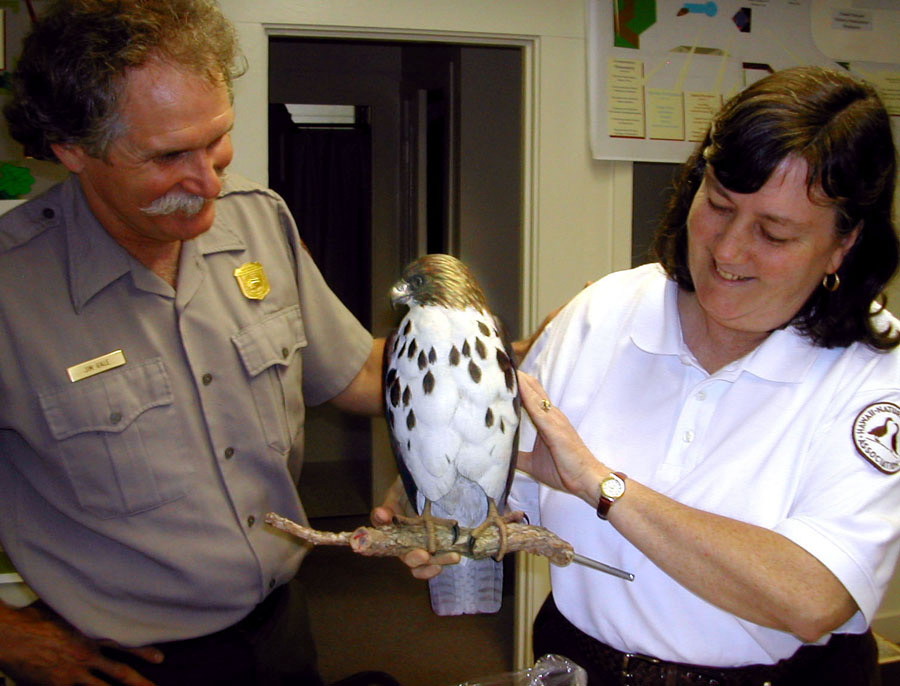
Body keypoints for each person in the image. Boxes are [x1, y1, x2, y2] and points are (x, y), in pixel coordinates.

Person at [378, 66, 900, 684]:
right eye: (718, 205)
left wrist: (602, 486)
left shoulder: (875, 372)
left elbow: (813, 599)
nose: (729, 250)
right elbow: (509, 482)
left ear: (843, 244)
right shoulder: (602, 313)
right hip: (578, 663)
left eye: (773, 232)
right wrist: (440, 505)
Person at [0, 1, 385, 685]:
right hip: (129, 663)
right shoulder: (11, 287)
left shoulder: (259, 222)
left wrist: (529, 355)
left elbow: (360, 376)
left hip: (283, 628)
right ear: (72, 150)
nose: (208, 182)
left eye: (216, 142)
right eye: (170, 156)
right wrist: (8, 637)